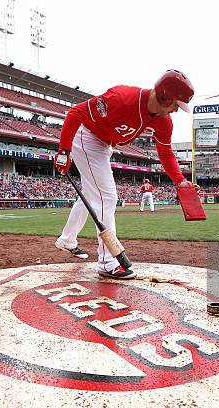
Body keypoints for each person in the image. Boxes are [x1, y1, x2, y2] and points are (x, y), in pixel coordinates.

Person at [53, 70, 195, 279]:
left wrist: (180, 180)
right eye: (176, 104)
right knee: (107, 197)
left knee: (92, 196)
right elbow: (76, 113)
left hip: (104, 144)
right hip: (87, 137)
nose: (176, 110)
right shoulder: (121, 98)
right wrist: (63, 151)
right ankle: (108, 262)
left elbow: (165, 152)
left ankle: (67, 240)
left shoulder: (163, 121)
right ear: (165, 95)